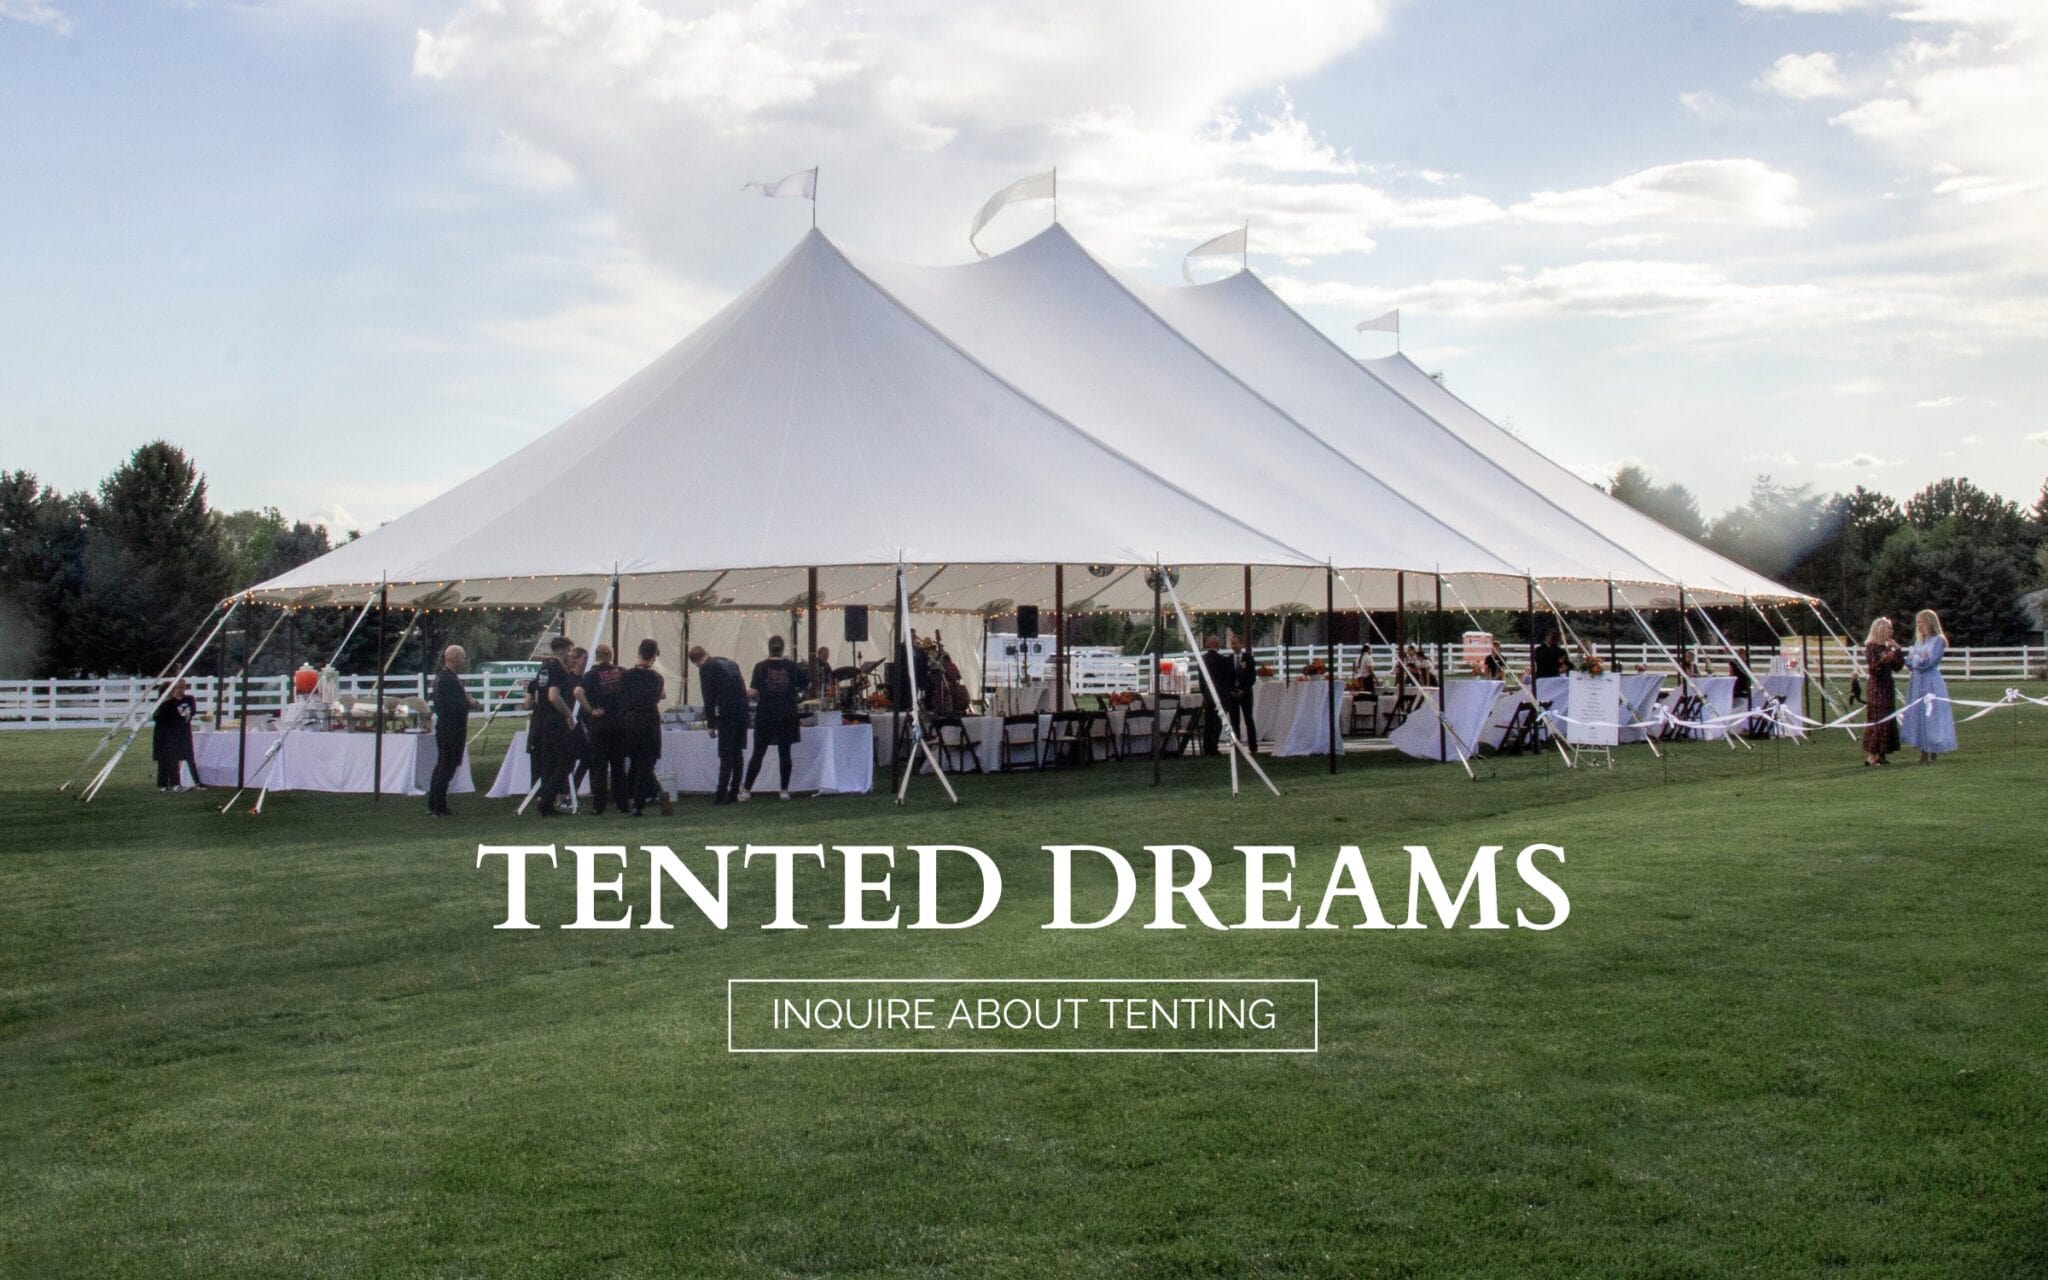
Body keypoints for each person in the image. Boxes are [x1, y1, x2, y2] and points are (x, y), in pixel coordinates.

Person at [745, 635, 809, 800]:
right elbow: (805, 684)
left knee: (758, 753)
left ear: (769, 648)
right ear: (782, 648)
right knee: (785, 753)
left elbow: (752, 692)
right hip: (787, 713)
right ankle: (784, 790)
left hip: (765, 714)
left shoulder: (759, 667)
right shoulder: (792, 666)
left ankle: (746, 789)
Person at [692, 645, 750, 804]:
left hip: (728, 714)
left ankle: (720, 794)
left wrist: (711, 723)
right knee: (737, 754)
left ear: (696, 661)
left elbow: (708, 698)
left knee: (725, 755)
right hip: (742, 712)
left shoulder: (706, 668)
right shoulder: (730, 662)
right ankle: (734, 792)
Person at [427, 645, 480, 816]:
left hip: (446, 727)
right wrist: (470, 703)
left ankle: (434, 803)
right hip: (451, 729)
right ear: (453, 658)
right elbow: (455, 705)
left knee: (442, 765)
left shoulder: (443, 677)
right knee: (446, 767)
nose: (465, 661)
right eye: (462, 657)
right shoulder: (449, 680)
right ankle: (439, 806)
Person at [616, 639, 667, 815]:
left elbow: (620, 698)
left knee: (635, 762)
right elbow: (660, 696)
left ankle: (629, 798)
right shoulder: (657, 678)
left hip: (631, 721)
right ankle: (639, 801)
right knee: (646, 763)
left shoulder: (626, 676)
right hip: (650, 722)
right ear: (654, 656)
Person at [1900, 609, 1957, 764]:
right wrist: (1918, 658)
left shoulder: (1938, 640)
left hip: (1930, 682)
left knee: (1931, 714)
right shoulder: (1920, 641)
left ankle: (1931, 749)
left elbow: (1927, 662)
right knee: (1918, 714)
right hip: (1917, 682)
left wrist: (1917, 658)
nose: (1918, 626)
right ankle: (1923, 749)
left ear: (1928, 622)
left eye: (1920, 622)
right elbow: (1911, 662)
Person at [577, 643, 628, 814]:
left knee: (599, 766)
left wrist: (590, 709)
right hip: (619, 724)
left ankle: (599, 806)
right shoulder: (621, 672)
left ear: (597, 656)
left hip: (599, 725)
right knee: (618, 766)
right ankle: (622, 803)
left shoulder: (591, 675)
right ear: (611, 655)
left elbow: (577, 692)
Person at [531, 635, 578, 816]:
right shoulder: (557, 669)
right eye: (569, 651)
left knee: (549, 764)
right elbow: (553, 695)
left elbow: (537, 696)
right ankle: (547, 800)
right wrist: (568, 715)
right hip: (555, 722)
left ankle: (547, 804)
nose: (570, 655)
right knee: (565, 762)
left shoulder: (544, 668)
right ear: (561, 651)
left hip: (542, 720)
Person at [1861, 617, 1906, 766]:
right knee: (1877, 719)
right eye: (1889, 628)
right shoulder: (1872, 647)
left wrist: (1898, 650)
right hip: (1877, 687)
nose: (1891, 631)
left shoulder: (1886, 647)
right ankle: (1872, 755)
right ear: (1880, 629)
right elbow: (1873, 669)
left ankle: (1882, 754)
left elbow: (1898, 666)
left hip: (1887, 685)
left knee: (1887, 718)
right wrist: (1883, 661)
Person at [152, 677, 199, 792]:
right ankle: (169, 784)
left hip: (166, 735)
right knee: (167, 760)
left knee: (168, 760)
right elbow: (160, 717)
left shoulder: (168, 703)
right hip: (166, 735)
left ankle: (169, 784)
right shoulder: (166, 703)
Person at [1198, 634, 1237, 756]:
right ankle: (1213, 747)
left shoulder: (1202, 660)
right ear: (1217, 645)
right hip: (1221, 696)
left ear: (1208, 644)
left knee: (1209, 722)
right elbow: (1228, 678)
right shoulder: (1222, 660)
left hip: (1208, 696)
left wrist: (1205, 693)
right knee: (1217, 723)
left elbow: (1201, 681)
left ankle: (1206, 746)